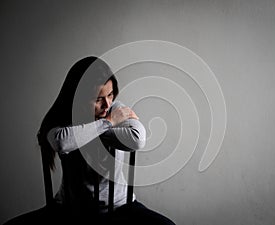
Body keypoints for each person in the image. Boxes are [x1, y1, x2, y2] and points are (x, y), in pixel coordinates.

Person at [3, 56, 175, 225]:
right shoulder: (66, 117)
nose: (107, 104)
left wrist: (85, 133)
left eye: (110, 94)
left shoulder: (116, 109)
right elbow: (61, 142)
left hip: (119, 207)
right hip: (69, 209)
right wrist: (108, 123)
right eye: (98, 99)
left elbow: (137, 139)